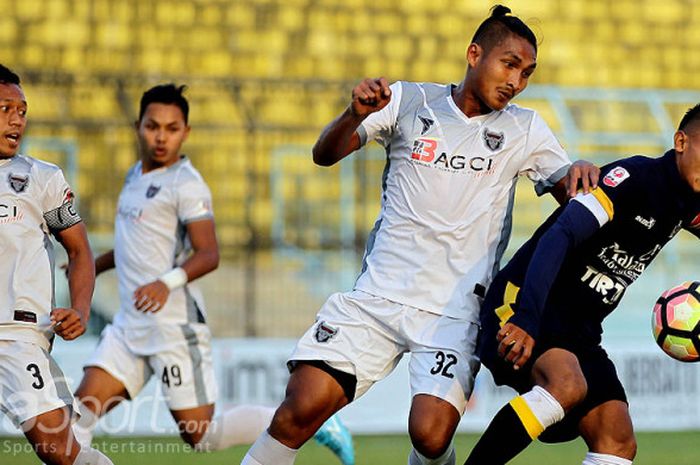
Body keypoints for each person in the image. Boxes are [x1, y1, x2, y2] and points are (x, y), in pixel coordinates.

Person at [241, 5, 598, 465]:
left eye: (527, 73)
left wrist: (581, 173)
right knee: (299, 410)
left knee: (429, 436)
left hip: (455, 312)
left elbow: (569, 191)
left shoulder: (525, 128)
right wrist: (353, 114)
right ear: (474, 54)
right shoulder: (410, 101)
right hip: (378, 298)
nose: (516, 81)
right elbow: (324, 154)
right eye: (509, 64)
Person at [71, 84, 354, 464]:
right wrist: (89, 264)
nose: (161, 136)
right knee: (72, 425)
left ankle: (312, 423)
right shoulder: (134, 175)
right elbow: (132, 245)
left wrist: (164, 282)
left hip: (174, 328)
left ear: (185, 132)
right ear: (138, 126)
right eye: (153, 126)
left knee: (201, 436)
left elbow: (210, 254)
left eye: (172, 128)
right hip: (129, 328)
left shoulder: (186, 185)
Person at [463, 103, 700, 465]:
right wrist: (526, 317)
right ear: (681, 141)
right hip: (526, 303)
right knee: (567, 385)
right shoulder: (634, 179)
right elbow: (561, 234)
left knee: (616, 438)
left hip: (579, 331)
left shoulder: (688, 202)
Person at [0, 64, 113, 465]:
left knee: (60, 453)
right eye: (5, 109)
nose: (17, 119)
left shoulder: (39, 179)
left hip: (14, 336)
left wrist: (81, 309)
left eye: (22, 110)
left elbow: (80, 251)